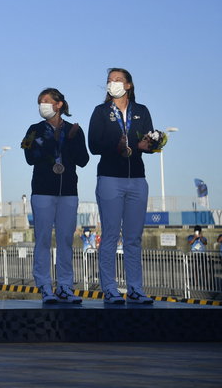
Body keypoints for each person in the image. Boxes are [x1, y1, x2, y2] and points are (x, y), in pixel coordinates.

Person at [88, 68, 156, 304]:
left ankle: (136, 289)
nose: (112, 83)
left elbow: (148, 141)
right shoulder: (100, 112)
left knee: (133, 238)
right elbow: (93, 145)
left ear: (128, 85)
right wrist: (115, 145)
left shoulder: (141, 111)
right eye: (109, 80)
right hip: (109, 179)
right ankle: (110, 288)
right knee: (109, 235)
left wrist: (151, 144)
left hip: (137, 178)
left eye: (117, 80)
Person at [22, 88, 89, 303]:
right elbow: (30, 157)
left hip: (68, 191)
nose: (43, 105)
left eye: (47, 101)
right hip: (42, 190)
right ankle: (44, 285)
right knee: (42, 238)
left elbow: (83, 160)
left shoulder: (75, 130)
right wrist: (53, 142)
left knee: (65, 240)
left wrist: (69, 140)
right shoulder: (34, 129)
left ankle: (65, 287)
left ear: (59, 104)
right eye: (40, 101)